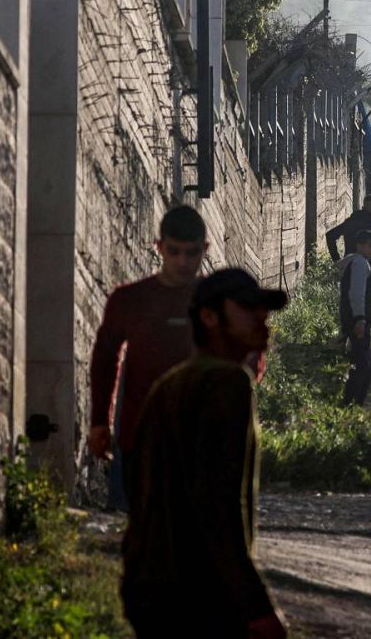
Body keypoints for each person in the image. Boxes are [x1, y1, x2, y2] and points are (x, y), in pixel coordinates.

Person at [120, 267, 290, 638]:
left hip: (150, 585)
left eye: (263, 310)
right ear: (209, 317)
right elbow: (217, 505)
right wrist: (255, 605)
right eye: (247, 308)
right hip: (199, 594)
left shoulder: (170, 384)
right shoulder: (227, 383)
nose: (262, 318)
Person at [88, 205, 206, 511]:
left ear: (204, 250)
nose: (182, 262)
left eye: (191, 253)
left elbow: (249, 353)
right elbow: (104, 359)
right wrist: (100, 420)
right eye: (174, 251)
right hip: (138, 439)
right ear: (159, 248)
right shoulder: (130, 300)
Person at [338, 231, 371, 406]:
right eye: (370, 245)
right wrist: (360, 319)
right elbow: (357, 293)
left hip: (351, 318)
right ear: (359, 245)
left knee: (363, 360)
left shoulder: (354, 262)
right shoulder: (360, 264)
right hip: (357, 320)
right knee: (364, 364)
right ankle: (352, 402)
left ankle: (351, 401)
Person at [325, 193, 371, 262]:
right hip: (365, 264)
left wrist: (337, 261)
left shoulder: (351, 221)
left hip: (349, 263)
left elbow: (330, 235)